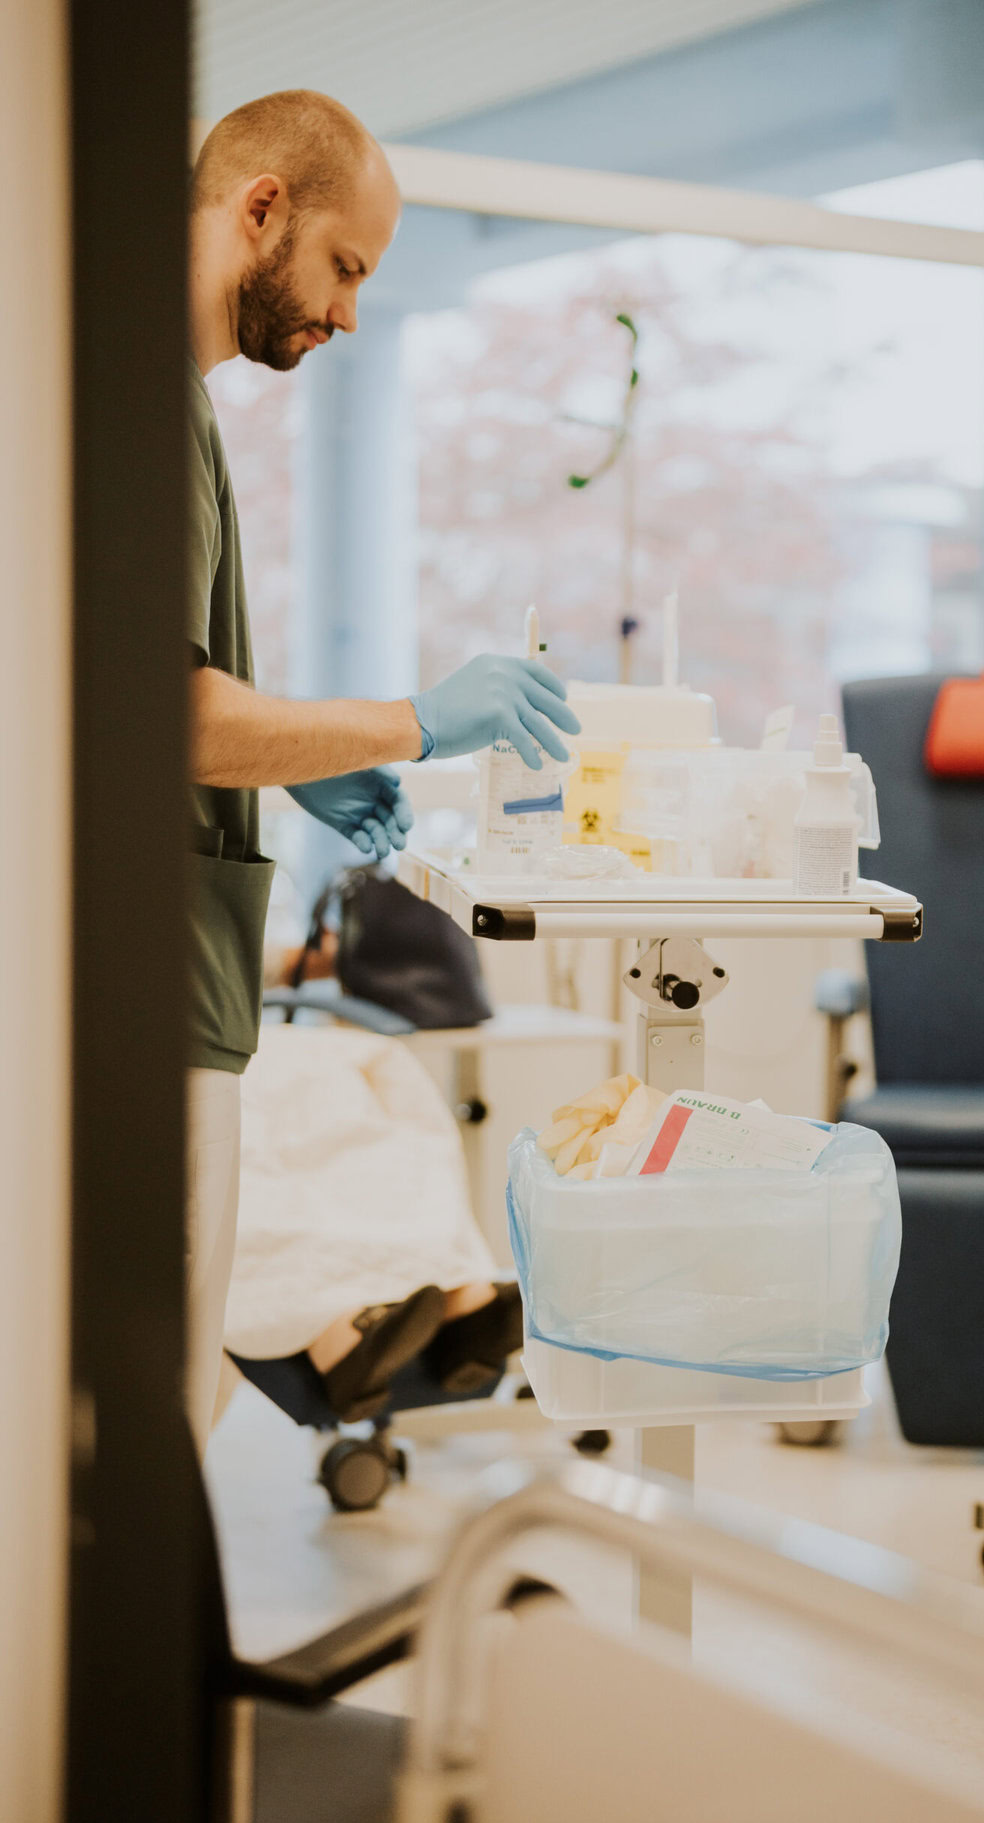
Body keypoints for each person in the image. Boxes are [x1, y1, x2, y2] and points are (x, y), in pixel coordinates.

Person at [187, 90, 579, 1447]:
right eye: (346, 267)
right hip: (154, 988)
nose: (349, 314)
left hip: (185, 976)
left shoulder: (159, 412)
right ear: (261, 211)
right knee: (162, 1404)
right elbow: (168, 717)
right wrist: (412, 721)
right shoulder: (129, 416)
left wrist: (289, 767)